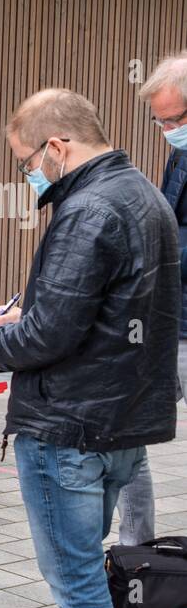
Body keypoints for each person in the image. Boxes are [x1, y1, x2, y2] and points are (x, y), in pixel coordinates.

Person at [0, 88, 178, 608]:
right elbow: (107, 303)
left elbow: (49, 333)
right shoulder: (146, 195)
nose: (30, 172)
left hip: (69, 425)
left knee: (75, 575)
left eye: (28, 158)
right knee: (85, 564)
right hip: (121, 423)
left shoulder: (86, 208)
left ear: (58, 146)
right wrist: (27, 311)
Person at [114, 50, 187, 545]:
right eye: (158, 122)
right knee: (125, 428)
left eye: (173, 121)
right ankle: (134, 555)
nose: (166, 132)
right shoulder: (180, 153)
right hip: (169, 321)